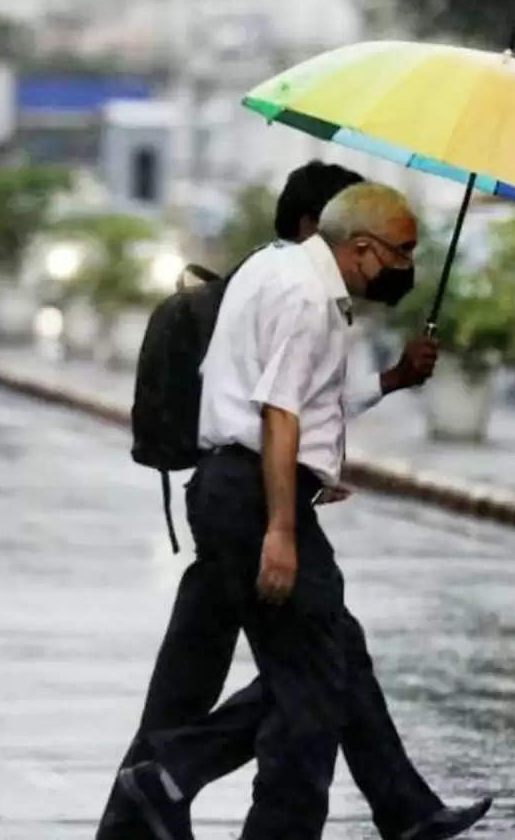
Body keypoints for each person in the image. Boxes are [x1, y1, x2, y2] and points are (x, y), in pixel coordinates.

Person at [96, 164, 472, 840]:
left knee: (315, 668)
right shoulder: (305, 296)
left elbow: (309, 399)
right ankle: (169, 779)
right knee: (312, 683)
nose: (407, 267)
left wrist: (391, 379)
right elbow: (277, 413)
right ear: (351, 242)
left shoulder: (271, 272)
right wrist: (281, 528)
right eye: (402, 251)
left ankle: (167, 785)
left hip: (236, 492)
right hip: (253, 498)